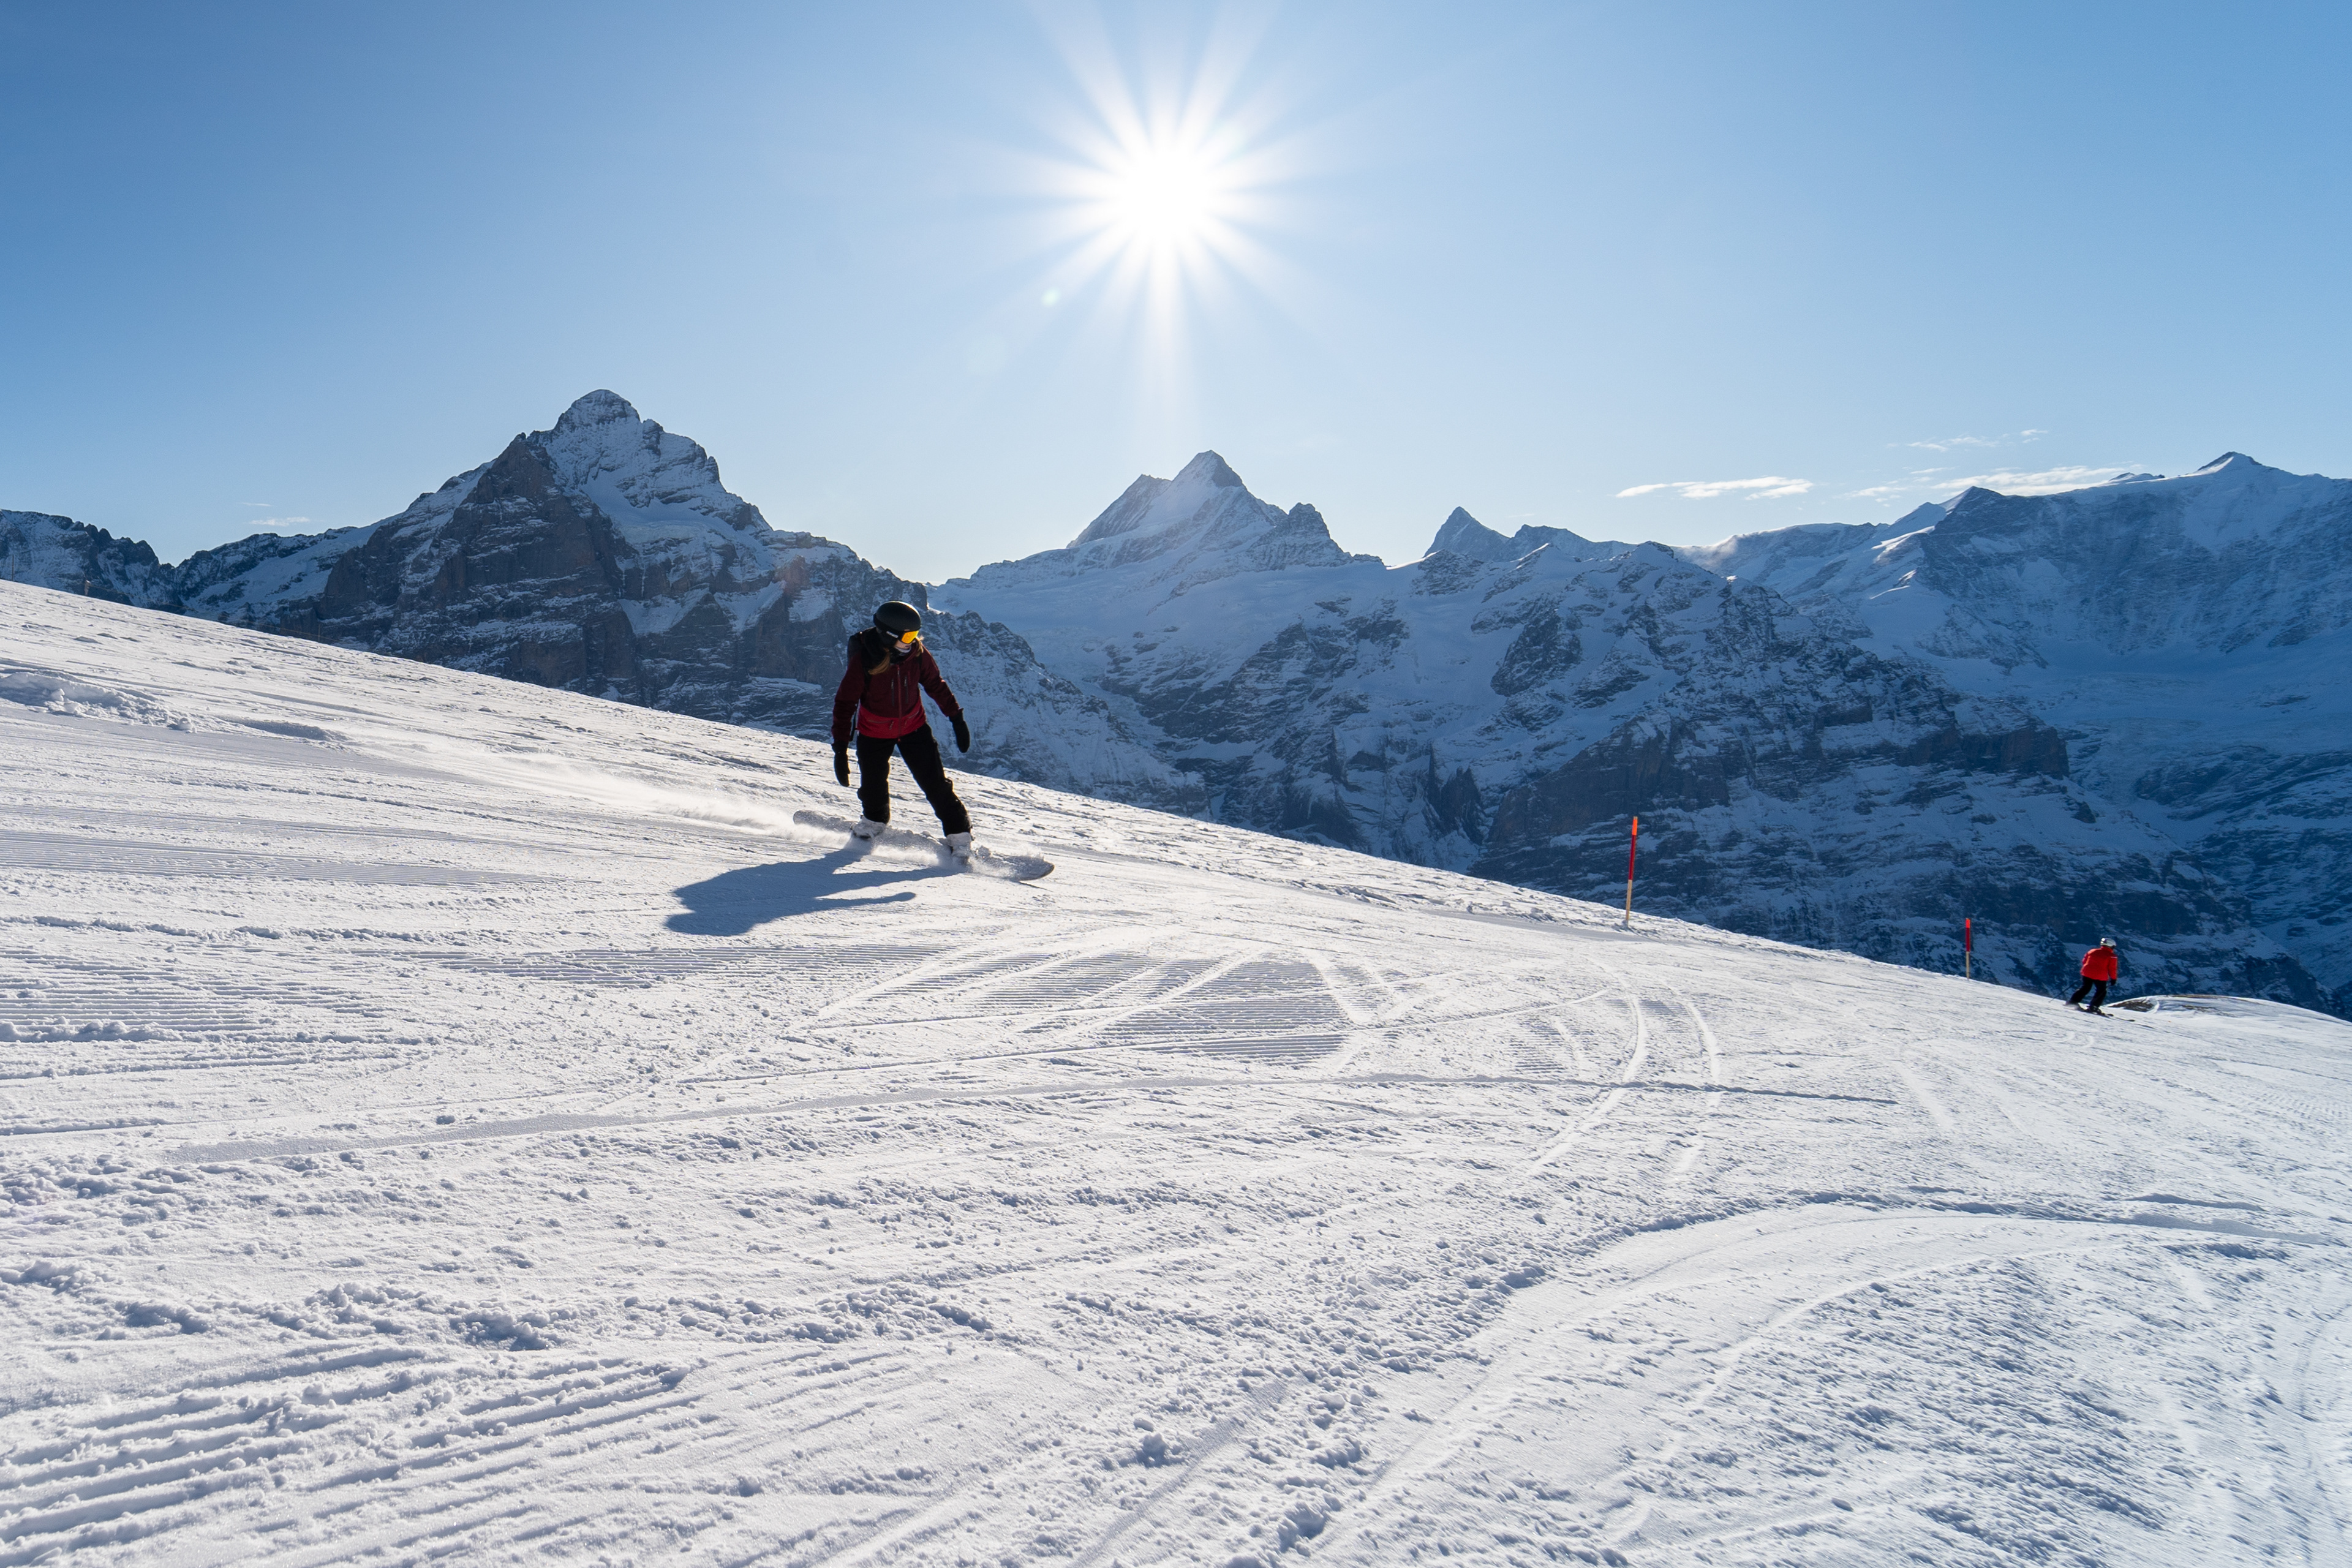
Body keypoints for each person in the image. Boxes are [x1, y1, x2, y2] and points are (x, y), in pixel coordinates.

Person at [830, 600, 975, 859]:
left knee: (935, 784)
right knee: (873, 784)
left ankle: (960, 836)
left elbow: (935, 685)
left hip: (913, 728)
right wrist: (841, 748)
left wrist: (956, 717)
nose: (913, 640)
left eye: (916, 634)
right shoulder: (865, 660)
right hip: (873, 732)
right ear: (888, 636)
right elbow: (845, 703)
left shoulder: (916, 654)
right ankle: (874, 821)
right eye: (908, 636)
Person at [2067, 938, 2119, 1014]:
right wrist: (2113, 979)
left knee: (2085, 988)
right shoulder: (2112, 956)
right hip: (2100, 976)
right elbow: (2112, 969)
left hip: (2086, 973)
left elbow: (2084, 961)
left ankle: (2073, 1001)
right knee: (2101, 991)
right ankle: (2094, 1007)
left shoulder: (2092, 951)